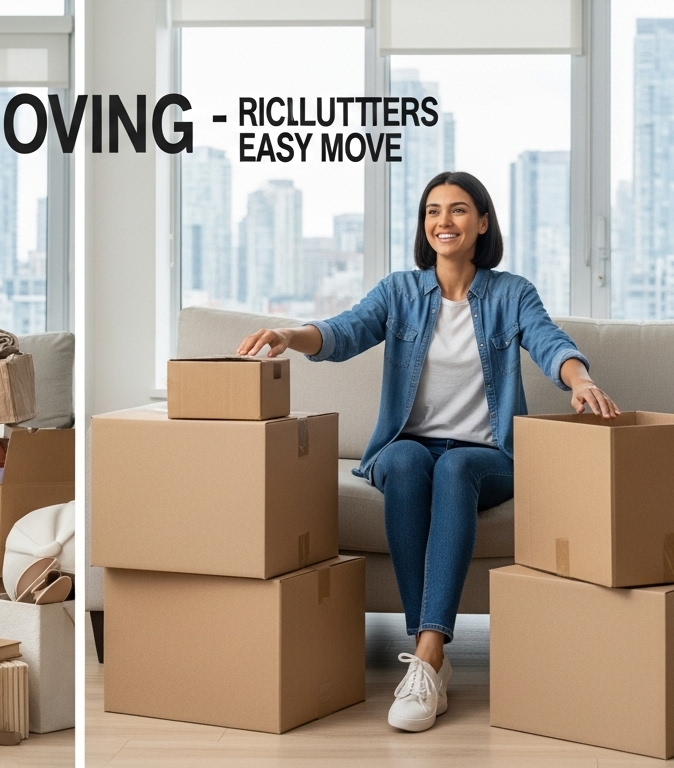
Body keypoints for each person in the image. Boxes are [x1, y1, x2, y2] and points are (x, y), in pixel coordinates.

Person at [237, 171, 619, 733]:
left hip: (487, 457)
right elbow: (345, 331)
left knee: (457, 464)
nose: (444, 221)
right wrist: (291, 336)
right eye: (433, 211)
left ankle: (428, 656)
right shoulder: (399, 292)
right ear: (424, 226)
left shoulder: (511, 293)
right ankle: (429, 656)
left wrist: (579, 379)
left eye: (459, 210)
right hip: (406, 447)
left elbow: (549, 341)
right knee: (406, 461)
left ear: (482, 222)